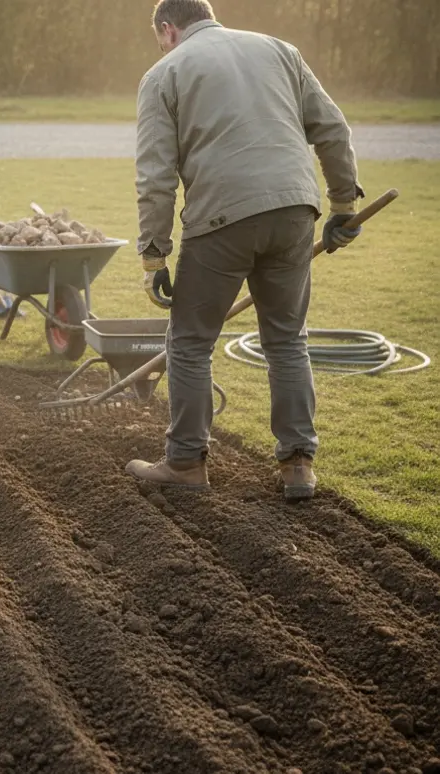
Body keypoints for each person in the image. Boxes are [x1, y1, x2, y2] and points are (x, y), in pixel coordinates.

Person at [125, 0, 365, 501]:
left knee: (190, 342)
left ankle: (186, 462)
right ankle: (298, 465)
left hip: (221, 218)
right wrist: (342, 205)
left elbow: (155, 177)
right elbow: (333, 129)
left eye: (158, 36)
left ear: (167, 29)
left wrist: (154, 255)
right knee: (286, 339)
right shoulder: (279, 50)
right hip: (296, 209)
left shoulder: (163, 72)